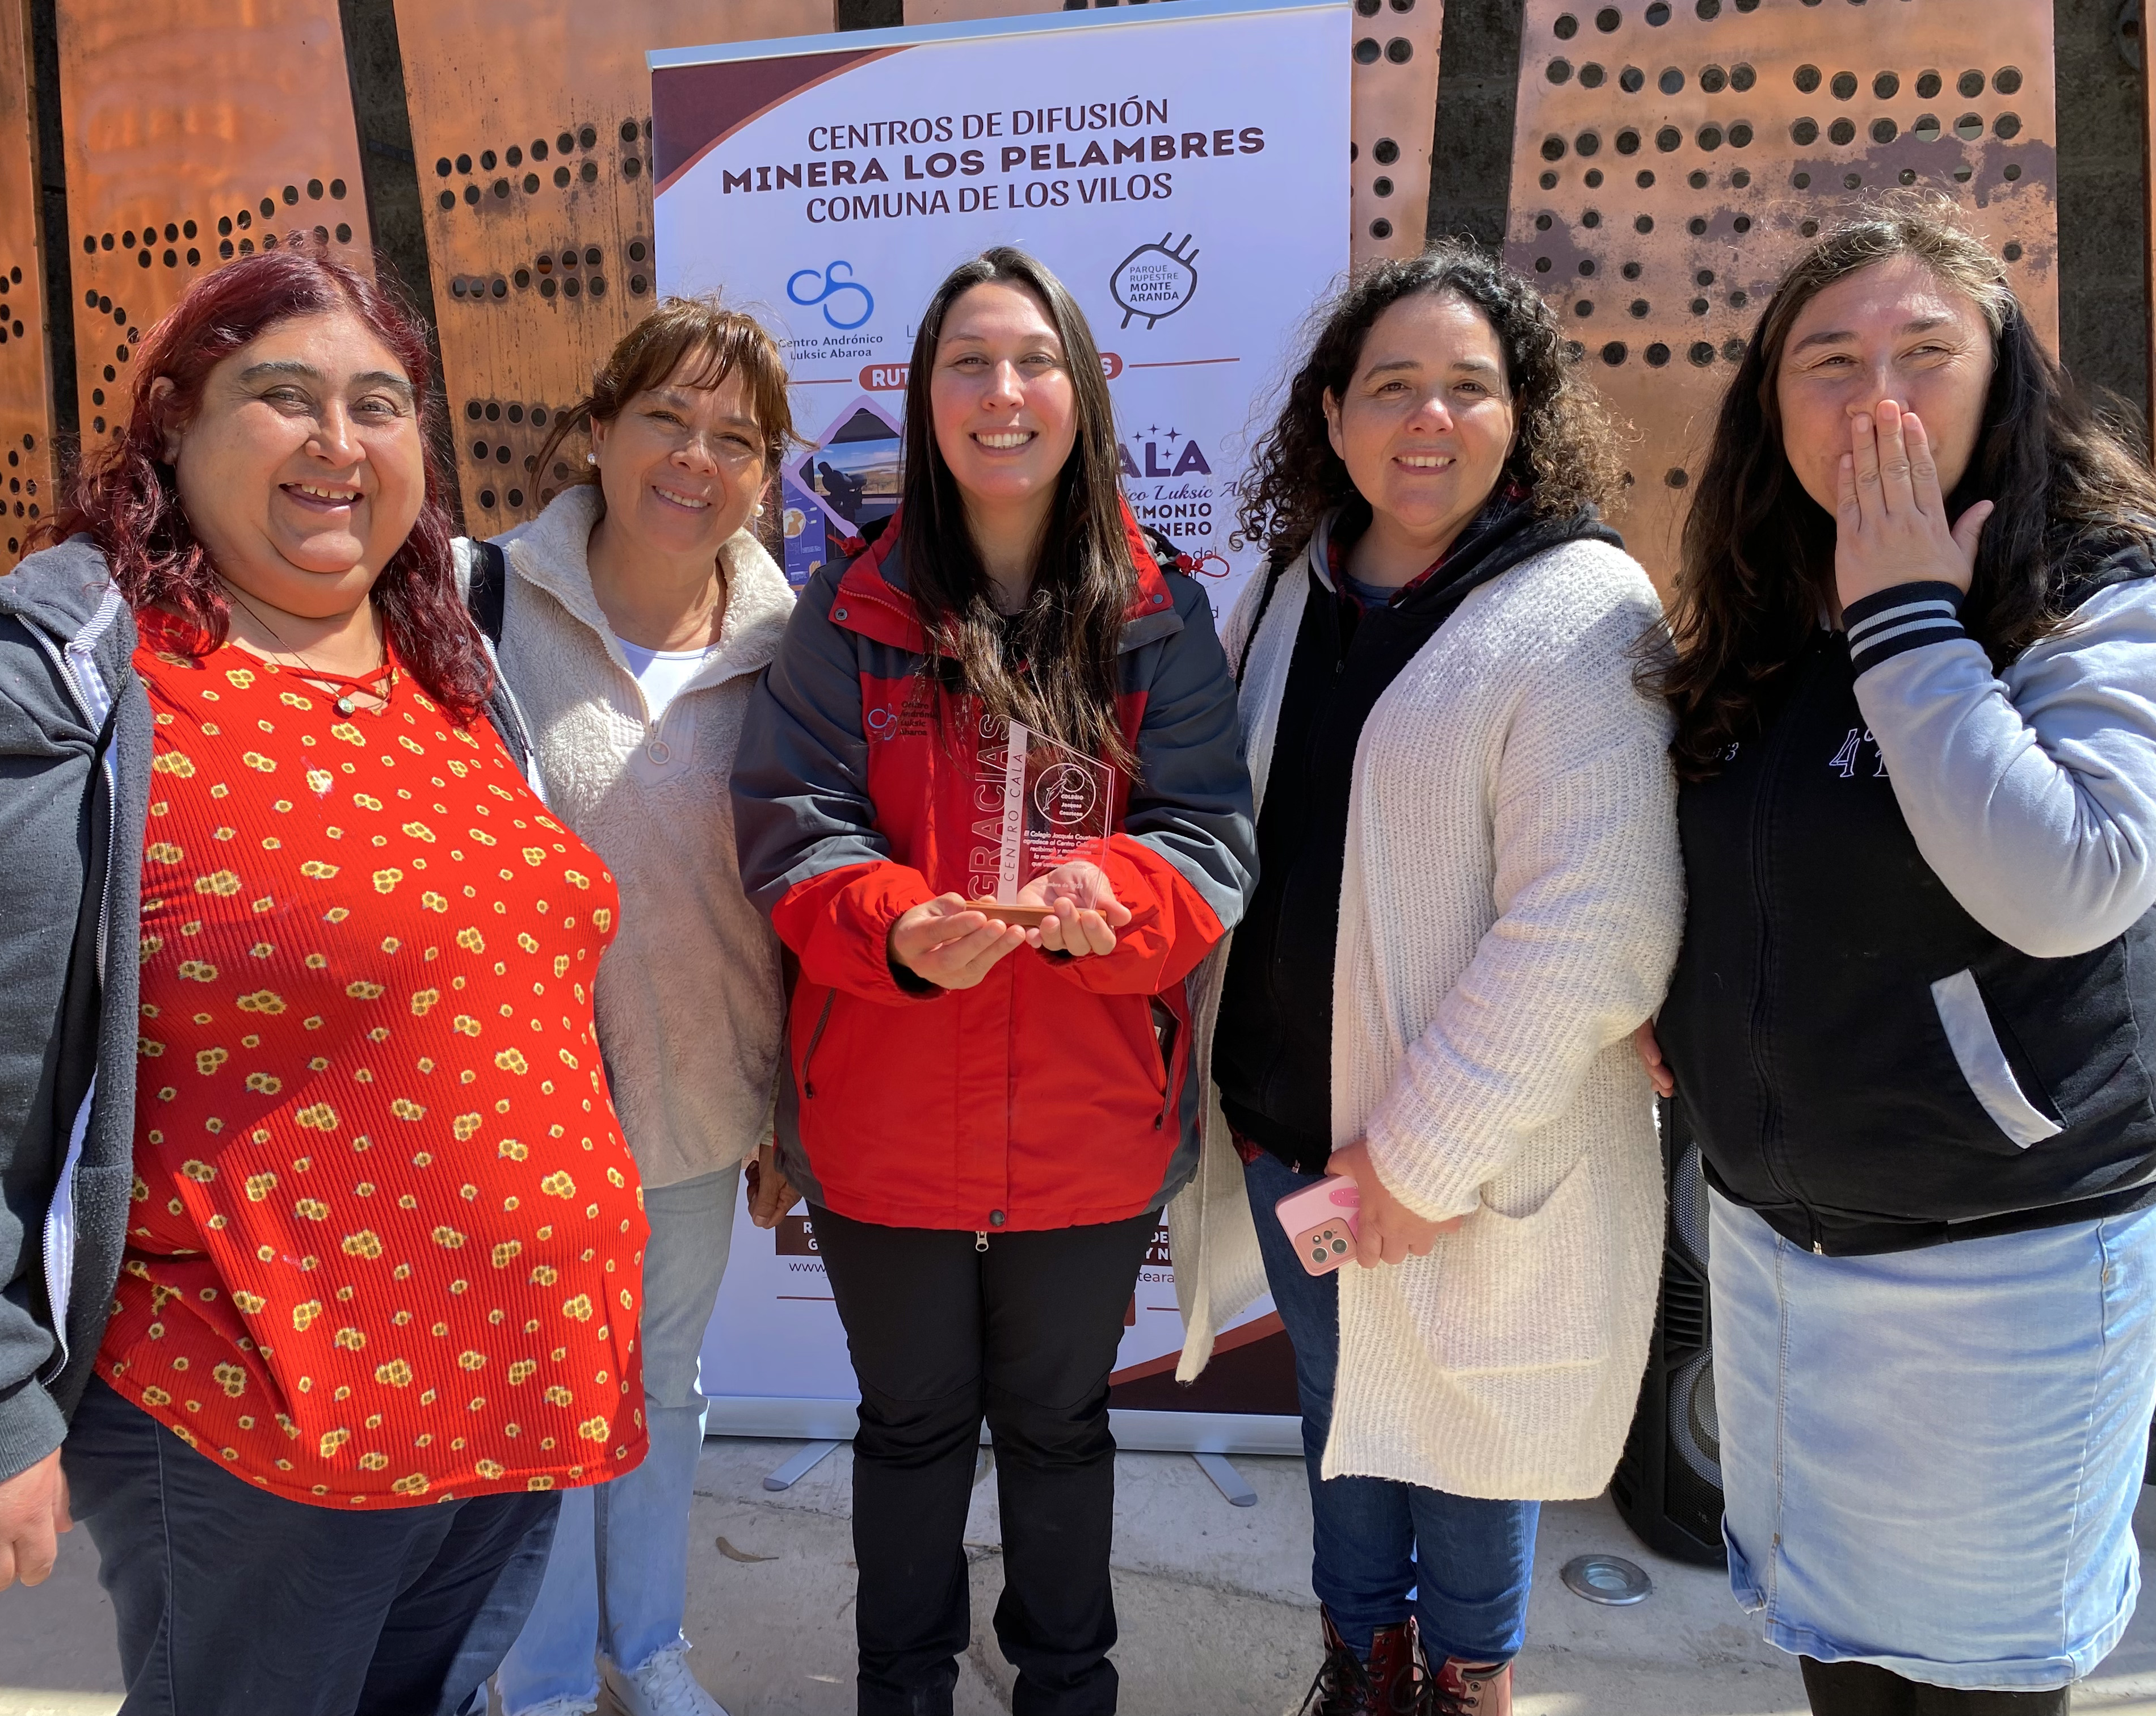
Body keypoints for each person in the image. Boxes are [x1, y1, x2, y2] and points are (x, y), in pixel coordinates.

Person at [0, 240, 648, 1716]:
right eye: (282, 396)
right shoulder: (52, 673)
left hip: (510, 1401)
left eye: (381, 403)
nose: (340, 446)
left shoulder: (448, 671)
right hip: (258, 1430)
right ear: (172, 421)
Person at [1630, 202, 2156, 1715]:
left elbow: (2070, 882)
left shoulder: (2092, 593)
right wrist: (1683, 997)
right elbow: (1756, 861)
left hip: (2004, 1276)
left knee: (1981, 1692)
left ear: (2006, 381)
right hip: (1782, 1259)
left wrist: (1913, 618)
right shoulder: (1761, 610)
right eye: (1827, 360)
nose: (1876, 398)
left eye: (1925, 352)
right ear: (1766, 404)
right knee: (1843, 1670)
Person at [730, 246, 1255, 1716]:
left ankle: (1064, 1691)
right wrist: (898, 927)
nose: (1002, 391)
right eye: (969, 361)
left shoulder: (1160, 613)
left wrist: (1118, 900)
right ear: (923, 400)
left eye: (1032, 359)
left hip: (1094, 1119)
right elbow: (789, 823)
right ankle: (899, 1693)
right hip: (885, 1114)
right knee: (905, 1430)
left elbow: (1210, 834)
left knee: (1059, 1427)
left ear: (1082, 392)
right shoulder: (849, 607)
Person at [1169, 243, 1683, 1716]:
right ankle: (1361, 1658)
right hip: (1290, 1139)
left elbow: (1596, 921)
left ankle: (1468, 1683)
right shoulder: (1282, 590)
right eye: (1393, 385)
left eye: (1470, 387)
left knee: (1468, 1430)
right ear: (1332, 416)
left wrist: (1418, 1158)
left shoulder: (1580, 609)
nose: (1429, 418)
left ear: (1521, 415)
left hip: (1463, 1157)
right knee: (1346, 1410)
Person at [482, 300, 797, 1716]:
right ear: (598, 431)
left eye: (737, 436)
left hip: (696, 1097)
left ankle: (646, 1646)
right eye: (667, 416)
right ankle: (540, 1680)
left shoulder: (797, 647)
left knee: (657, 1386)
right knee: (540, 1401)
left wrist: (790, 1105)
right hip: (513, 1105)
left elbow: (803, 894)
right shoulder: (476, 604)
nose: (696, 456)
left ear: (767, 472)